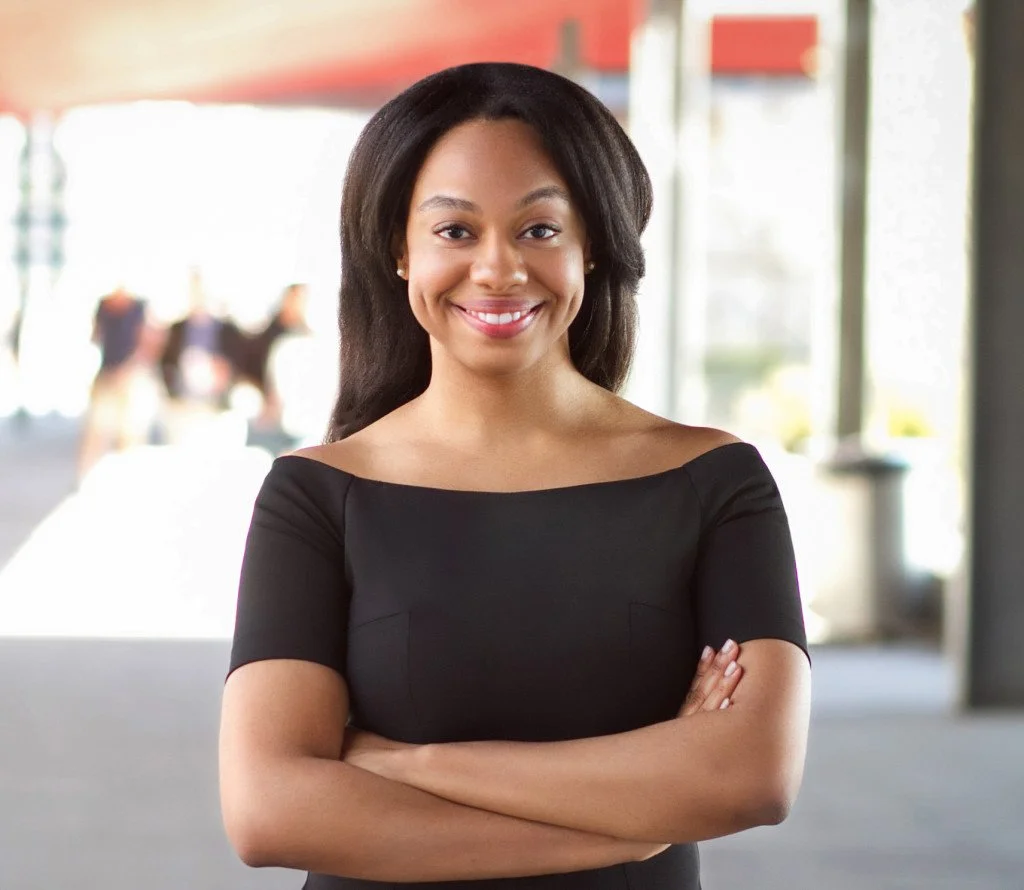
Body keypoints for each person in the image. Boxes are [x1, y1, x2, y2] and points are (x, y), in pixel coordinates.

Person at [220, 62, 811, 889]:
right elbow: (271, 810)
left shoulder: (714, 482)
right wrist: (632, 825)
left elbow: (750, 776)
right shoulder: (317, 495)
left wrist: (413, 762)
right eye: (455, 231)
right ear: (399, 249)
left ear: (592, 245)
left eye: (539, 229)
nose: (498, 270)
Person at [78, 283, 160, 479]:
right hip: (107, 374)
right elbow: (95, 336)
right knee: (97, 433)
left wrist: (131, 367)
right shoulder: (104, 306)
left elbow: (148, 340)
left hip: (131, 376)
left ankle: (129, 479)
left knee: (130, 435)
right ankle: (87, 479)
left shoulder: (139, 307)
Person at [158, 268, 242, 443]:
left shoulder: (228, 330)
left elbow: (239, 364)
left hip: (215, 405)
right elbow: (164, 364)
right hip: (183, 404)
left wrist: (225, 373)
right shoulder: (177, 329)